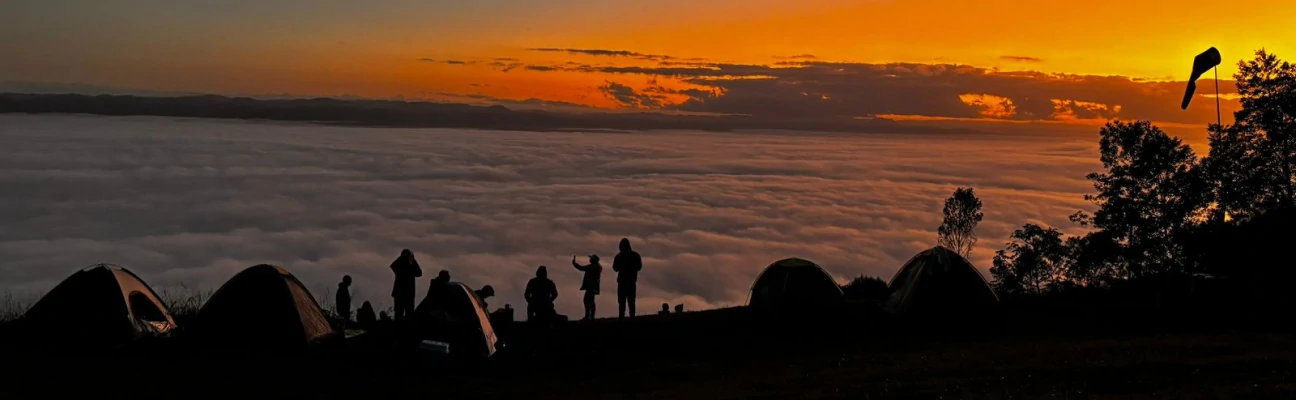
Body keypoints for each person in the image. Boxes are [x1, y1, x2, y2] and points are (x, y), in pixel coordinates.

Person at [612, 238, 643, 318]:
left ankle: (622, 316)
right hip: (631, 281)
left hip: (623, 282)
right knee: (631, 300)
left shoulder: (618, 256)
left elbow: (615, 268)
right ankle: (631, 316)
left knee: (622, 301)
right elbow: (639, 267)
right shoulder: (635, 255)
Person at [389, 249, 423, 319]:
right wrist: (413, 260)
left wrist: (401, 258)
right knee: (409, 314)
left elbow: (393, 265)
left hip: (399, 293)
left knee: (398, 314)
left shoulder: (399, 267)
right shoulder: (410, 267)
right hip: (409, 294)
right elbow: (419, 273)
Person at [571, 254, 602, 321]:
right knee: (590, 301)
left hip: (591, 287)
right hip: (592, 287)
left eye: (591, 258)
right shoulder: (596, 267)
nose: (590, 259)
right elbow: (582, 268)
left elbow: (582, 268)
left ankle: (588, 316)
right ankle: (590, 316)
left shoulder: (593, 267)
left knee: (587, 301)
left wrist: (574, 264)